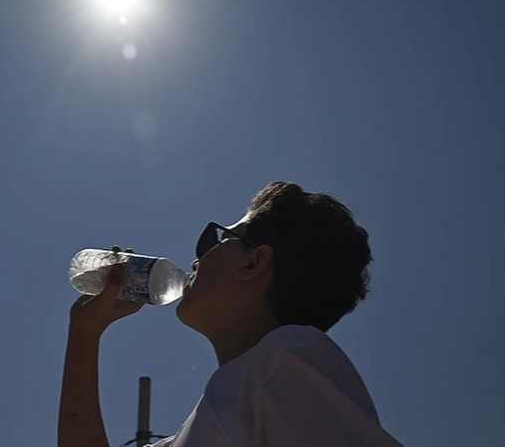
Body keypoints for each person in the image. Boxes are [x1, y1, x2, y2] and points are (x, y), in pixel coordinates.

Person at [59, 181, 404, 447]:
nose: (196, 260)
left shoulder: (288, 353)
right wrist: (85, 332)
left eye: (215, 240)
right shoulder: (218, 408)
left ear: (254, 262)